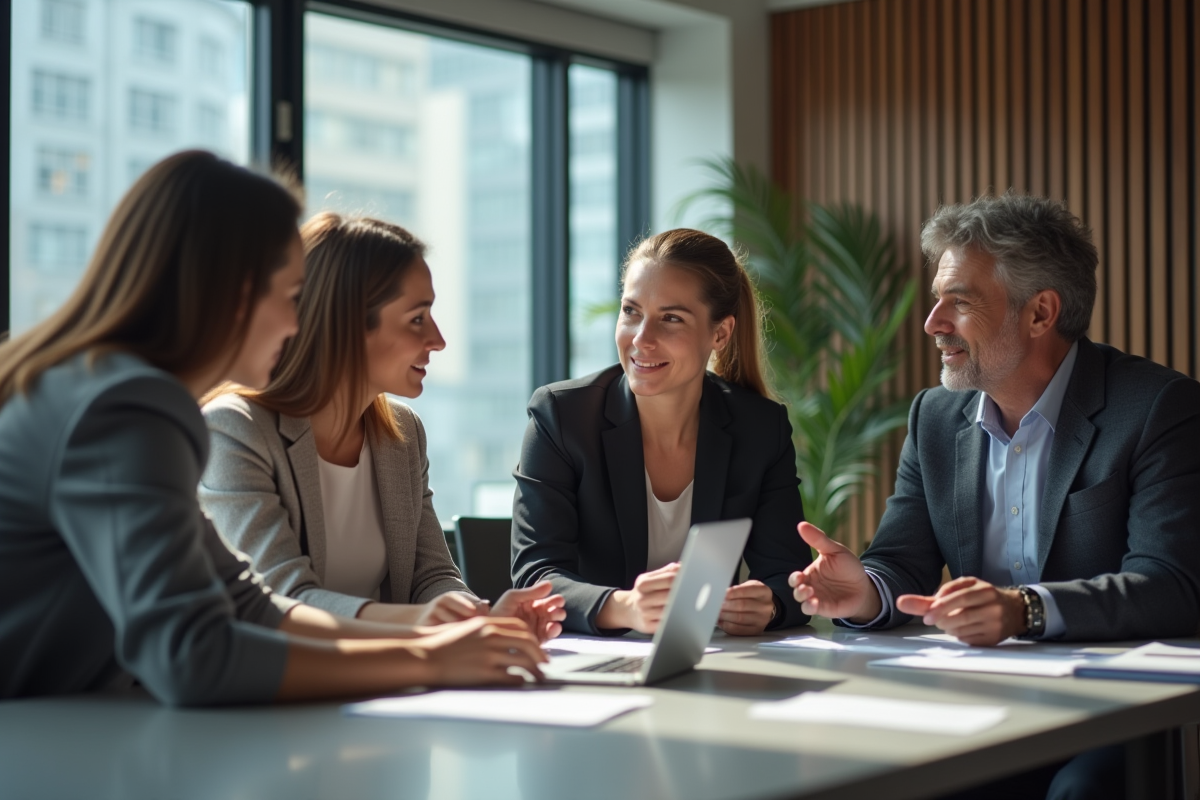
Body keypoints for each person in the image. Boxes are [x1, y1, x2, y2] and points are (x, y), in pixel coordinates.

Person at [0, 151, 546, 706]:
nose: (296, 324)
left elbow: (250, 607)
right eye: (290, 298)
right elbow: (194, 655)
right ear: (231, 293)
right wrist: (430, 660)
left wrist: (443, 643)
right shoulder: (126, 408)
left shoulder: (109, 392)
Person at [788, 193, 1200, 799]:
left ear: (1040, 313)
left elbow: (1173, 585)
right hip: (975, 696)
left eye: (959, 302)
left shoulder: (1158, 408)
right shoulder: (934, 416)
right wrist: (865, 591)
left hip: (1110, 703)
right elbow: (902, 561)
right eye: (937, 300)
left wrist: (1023, 609)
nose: (932, 323)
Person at [199, 213, 564, 640]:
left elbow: (432, 577)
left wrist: (479, 617)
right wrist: (423, 624)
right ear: (346, 324)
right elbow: (280, 599)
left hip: (391, 670)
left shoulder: (403, 434)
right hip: (291, 676)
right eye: (417, 319)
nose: (439, 340)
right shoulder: (235, 431)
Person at [512, 228, 813, 636]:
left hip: (711, 656)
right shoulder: (561, 417)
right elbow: (535, 576)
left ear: (720, 334)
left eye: (671, 318)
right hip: (591, 658)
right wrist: (625, 608)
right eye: (631, 311)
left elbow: (788, 576)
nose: (642, 339)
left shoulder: (760, 428)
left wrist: (769, 605)